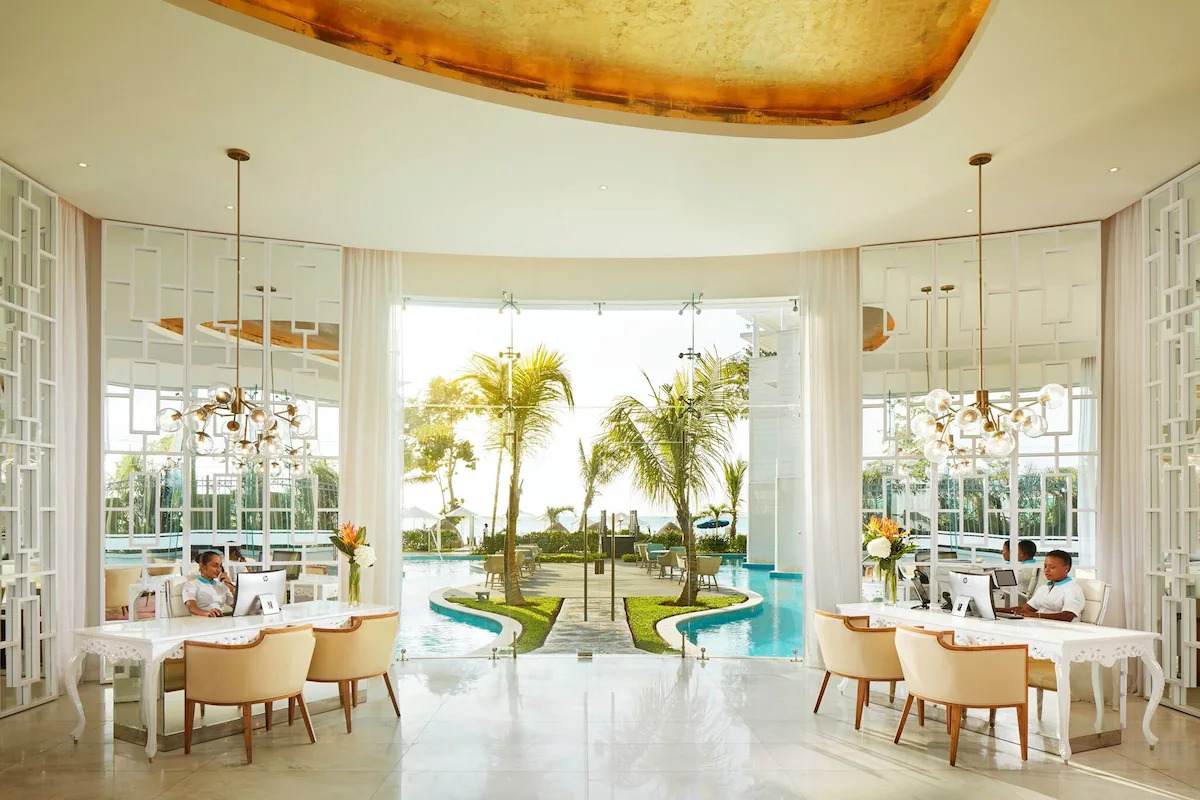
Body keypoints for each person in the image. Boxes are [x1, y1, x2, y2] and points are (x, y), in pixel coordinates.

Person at [999, 549, 1084, 621]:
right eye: (1045, 566)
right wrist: (995, 609)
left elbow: (1068, 616)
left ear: (1066, 568)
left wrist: (1036, 615)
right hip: (1041, 625)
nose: (1046, 570)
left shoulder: (1072, 589)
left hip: (1060, 629)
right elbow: (1024, 609)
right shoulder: (1044, 588)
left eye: (1052, 567)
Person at [182, 551, 237, 617]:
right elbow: (192, 607)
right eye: (215, 566)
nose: (219, 570)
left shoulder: (221, 585)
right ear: (202, 566)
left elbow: (236, 607)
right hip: (201, 620)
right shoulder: (191, 585)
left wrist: (231, 587)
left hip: (220, 619)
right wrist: (207, 613)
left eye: (220, 566)